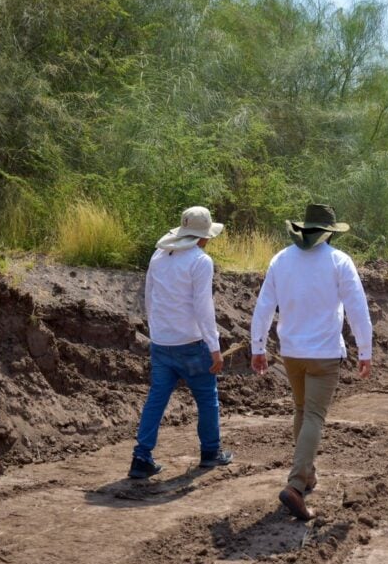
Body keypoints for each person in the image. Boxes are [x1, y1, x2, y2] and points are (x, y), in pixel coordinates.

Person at [250, 204, 373, 520]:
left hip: (291, 352)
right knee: (314, 416)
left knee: (302, 411)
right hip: (325, 354)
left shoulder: (281, 259)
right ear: (329, 233)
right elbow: (357, 309)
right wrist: (365, 351)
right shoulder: (338, 261)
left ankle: (308, 474)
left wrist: (258, 347)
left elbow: (264, 307)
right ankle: (294, 485)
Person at [129, 206, 233, 479]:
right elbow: (203, 308)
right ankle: (211, 452)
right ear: (202, 236)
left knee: (156, 398)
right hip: (191, 343)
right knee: (207, 398)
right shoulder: (200, 261)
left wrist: (158, 331)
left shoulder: (159, 255)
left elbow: (149, 297)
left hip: (162, 342)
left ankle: (141, 457)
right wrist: (215, 347)